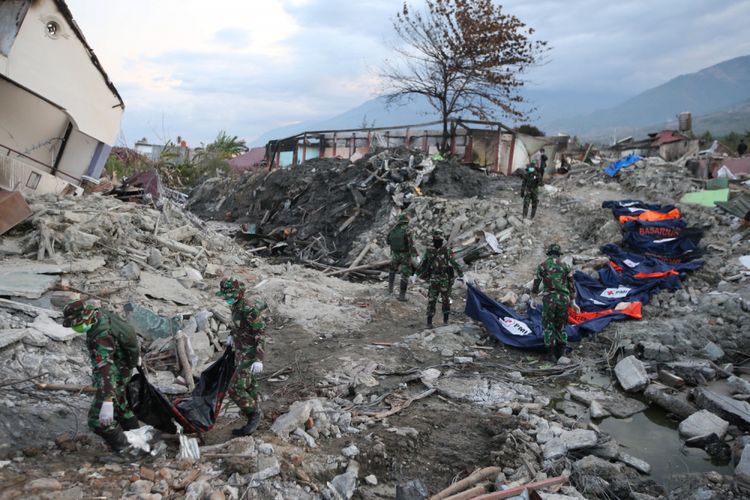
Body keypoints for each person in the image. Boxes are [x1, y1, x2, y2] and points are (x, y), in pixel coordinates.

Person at [62, 300, 141, 455]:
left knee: (97, 420)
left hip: (115, 374)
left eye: (77, 323)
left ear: (87, 317)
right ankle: (140, 441)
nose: (76, 327)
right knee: (122, 408)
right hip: (124, 367)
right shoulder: (99, 314)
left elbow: (107, 371)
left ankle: (126, 451)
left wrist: (107, 400)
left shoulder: (101, 338)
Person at [217, 277, 267, 436]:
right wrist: (232, 335)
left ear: (239, 294)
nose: (227, 300)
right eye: (226, 297)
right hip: (240, 351)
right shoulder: (236, 306)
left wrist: (259, 359)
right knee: (249, 385)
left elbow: (260, 334)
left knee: (235, 388)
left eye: (230, 296)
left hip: (250, 354)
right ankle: (255, 415)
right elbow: (238, 325)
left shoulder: (249, 309)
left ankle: (254, 415)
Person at [532, 244, 577, 361]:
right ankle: (562, 352)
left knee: (548, 324)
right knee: (561, 324)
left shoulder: (542, 266)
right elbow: (571, 284)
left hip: (549, 299)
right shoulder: (566, 266)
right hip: (563, 299)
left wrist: (533, 296)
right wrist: (573, 301)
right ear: (558, 254)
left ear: (549, 253)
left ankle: (551, 354)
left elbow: (536, 283)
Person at [419, 229, 464, 328]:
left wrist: (461, 274)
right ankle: (429, 322)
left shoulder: (446, 250)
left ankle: (446, 321)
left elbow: (454, 263)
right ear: (433, 239)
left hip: (444, 278)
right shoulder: (430, 251)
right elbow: (423, 263)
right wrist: (416, 274)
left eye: (439, 239)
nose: (437, 241)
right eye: (436, 239)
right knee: (431, 300)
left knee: (445, 300)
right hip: (434, 278)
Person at [387, 213, 418, 301]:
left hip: (395, 254)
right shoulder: (408, 230)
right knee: (405, 273)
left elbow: (388, 241)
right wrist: (415, 255)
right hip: (405, 254)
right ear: (406, 221)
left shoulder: (393, 229)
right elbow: (412, 244)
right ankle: (402, 295)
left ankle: (390, 289)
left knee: (392, 270)